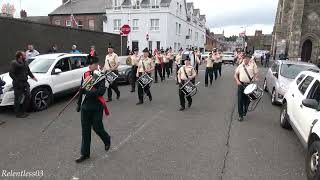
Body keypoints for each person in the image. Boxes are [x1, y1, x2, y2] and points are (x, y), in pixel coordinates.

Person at [75, 55, 111, 163]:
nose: (91, 66)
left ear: (96, 65)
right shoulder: (85, 75)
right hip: (85, 107)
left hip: (96, 106)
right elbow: (82, 90)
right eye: (90, 65)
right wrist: (78, 104)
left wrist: (88, 92)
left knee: (97, 127)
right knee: (85, 131)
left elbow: (100, 92)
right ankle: (85, 154)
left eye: (93, 64)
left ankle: (107, 139)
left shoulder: (101, 76)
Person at [9, 51, 38, 118]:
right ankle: (18, 113)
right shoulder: (14, 63)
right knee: (18, 99)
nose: (25, 55)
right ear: (20, 56)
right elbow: (11, 74)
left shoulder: (25, 62)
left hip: (25, 82)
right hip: (18, 83)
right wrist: (17, 81)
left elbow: (28, 71)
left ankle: (23, 111)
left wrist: (33, 77)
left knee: (28, 95)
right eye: (24, 55)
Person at [234, 54, 258, 122]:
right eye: (244, 58)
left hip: (249, 85)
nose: (245, 59)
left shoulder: (253, 65)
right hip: (241, 84)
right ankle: (240, 115)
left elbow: (256, 74)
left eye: (247, 58)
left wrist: (256, 78)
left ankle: (246, 108)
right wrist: (237, 81)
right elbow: (235, 74)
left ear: (249, 59)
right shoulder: (241, 65)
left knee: (248, 100)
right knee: (240, 100)